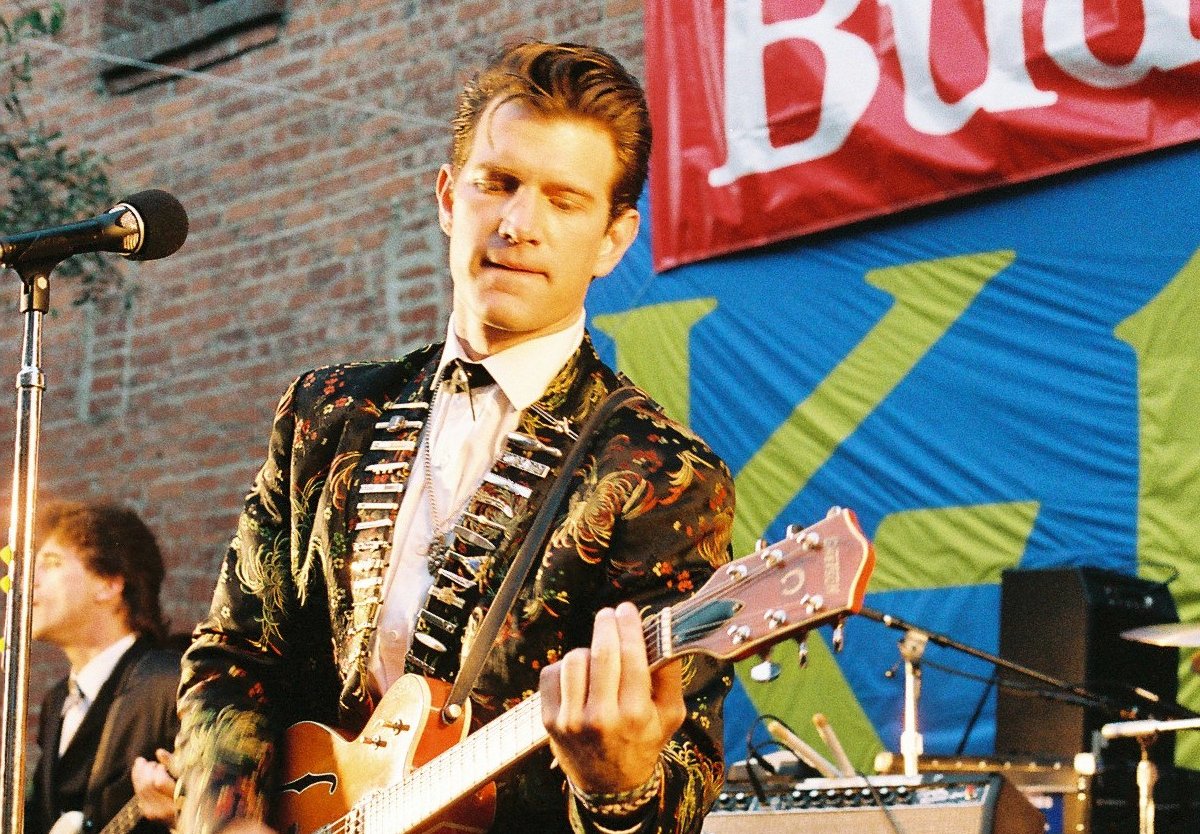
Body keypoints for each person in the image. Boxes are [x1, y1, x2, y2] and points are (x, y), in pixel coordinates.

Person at [174, 41, 736, 834]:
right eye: (497, 183)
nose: (517, 224)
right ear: (448, 197)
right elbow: (234, 657)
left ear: (614, 239)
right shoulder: (325, 413)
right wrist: (225, 814)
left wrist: (618, 784)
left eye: (564, 200)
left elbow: (680, 785)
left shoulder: (660, 473)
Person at [25, 500, 181, 834]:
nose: (29, 581)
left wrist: (180, 819)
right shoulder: (56, 704)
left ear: (109, 584)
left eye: (50, 564)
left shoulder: (174, 684)